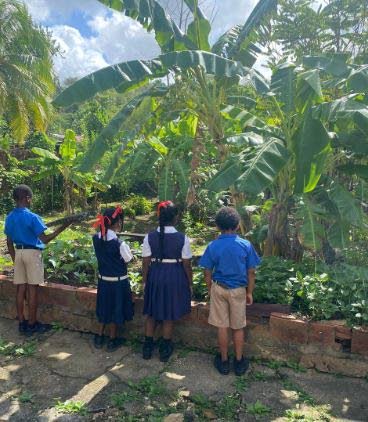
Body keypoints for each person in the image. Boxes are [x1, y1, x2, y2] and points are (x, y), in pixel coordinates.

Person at [199, 207, 261, 376]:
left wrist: (210, 288)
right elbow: (251, 272)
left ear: (218, 225)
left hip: (219, 288)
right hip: (238, 291)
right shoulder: (245, 245)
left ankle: (224, 361)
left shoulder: (213, 245)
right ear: (237, 224)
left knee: (222, 327)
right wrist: (249, 292)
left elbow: (207, 270)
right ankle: (239, 362)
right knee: (238, 327)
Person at [4, 184, 71, 335]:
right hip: (32, 253)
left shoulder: (9, 217)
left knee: (20, 289)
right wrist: (63, 227)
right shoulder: (32, 217)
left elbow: (9, 242)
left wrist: (15, 259)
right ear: (27, 198)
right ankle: (32, 324)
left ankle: (22, 322)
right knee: (32, 289)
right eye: (30, 198)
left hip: (18, 252)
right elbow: (45, 239)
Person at [142, 201, 193, 362]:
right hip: (174, 276)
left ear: (159, 216)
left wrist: (145, 281)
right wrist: (190, 283)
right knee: (168, 313)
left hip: (155, 274)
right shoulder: (182, 238)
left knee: (151, 312)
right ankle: (165, 347)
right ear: (176, 217)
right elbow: (187, 264)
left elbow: (145, 262)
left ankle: (148, 345)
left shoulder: (149, 237)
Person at [92, 206, 134, 352]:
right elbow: (128, 259)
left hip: (103, 281)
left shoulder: (96, 239)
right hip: (118, 282)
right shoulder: (120, 243)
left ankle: (99, 336)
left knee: (104, 308)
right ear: (117, 223)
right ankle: (112, 339)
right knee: (116, 310)